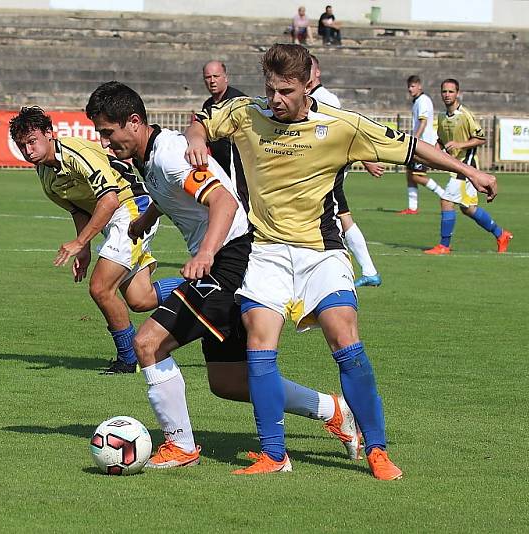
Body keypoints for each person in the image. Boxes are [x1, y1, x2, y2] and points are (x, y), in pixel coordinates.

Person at [186, 44, 498, 478]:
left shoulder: (342, 126)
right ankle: (275, 456)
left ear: (308, 86)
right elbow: (201, 120)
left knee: (344, 338)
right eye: (271, 89)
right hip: (268, 252)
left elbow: (413, 148)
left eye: (286, 91)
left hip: (321, 252)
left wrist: (471, 173)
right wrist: (197, 141)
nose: (276, 99)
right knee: (259, 345)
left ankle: (377, 449)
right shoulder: (245, 111)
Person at [86, 81, 362, 469]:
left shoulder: (170, 155)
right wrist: (144, 220)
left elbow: (224, 201)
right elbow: (169, 195)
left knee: (148, 344)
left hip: (230, 260)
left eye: (108, 133)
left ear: (134, 122)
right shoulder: (149, 157)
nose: (105, 142)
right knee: (229, 383)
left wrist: (205, 253)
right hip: (228, 259)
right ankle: (332, 410)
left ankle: (180, 447)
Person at [9, 106, 183, 374]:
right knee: (140, 299)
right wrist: (84, 249)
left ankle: (128, 359)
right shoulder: (45, 174)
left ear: (49, 133)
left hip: (132, 209)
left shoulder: (75, 152)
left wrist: (79, 242)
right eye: (22, 146)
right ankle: (203, 285)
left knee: (100, 288)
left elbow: (110, 199)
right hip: (112, 218)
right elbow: (78, 209)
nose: (28, 150)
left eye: (32, 142)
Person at [308, 53, 383, 287]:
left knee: (338, 215)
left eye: (308, 68)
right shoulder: (308, 97)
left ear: (317, 72)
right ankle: (366, 270)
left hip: (329, 168)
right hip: (316, 167)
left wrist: (365, 157)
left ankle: (353, 270)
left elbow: (345, 130)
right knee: (339, 215)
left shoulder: (325, 98)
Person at [424, 79, 513, 255]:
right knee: (468, 209)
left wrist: (460, 144)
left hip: (467, 167)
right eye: (444, 91)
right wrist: (433, 154)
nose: (447, 95)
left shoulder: (465, 115)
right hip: (456, 167)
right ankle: (501, 234)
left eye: (451, 91)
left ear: (457, 93)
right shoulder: (442, 116)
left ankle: (444, 246)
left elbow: (481, 138)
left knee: (446, 200)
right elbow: (441, 140)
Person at [201, 60, 248, 207]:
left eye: (216, 76)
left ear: (226, 77)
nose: (212, 81)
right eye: (208, 77)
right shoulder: (207, 105)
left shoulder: (239, 101)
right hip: (220, 168)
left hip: (239, 171)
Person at [399, 75, 447, 215]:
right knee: (410, 174)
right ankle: (412, 208)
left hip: (423, 143)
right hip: (419, 142)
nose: (410, 89)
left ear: (420, 86)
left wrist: (415, 140)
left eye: (413, 86)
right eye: (409, 86)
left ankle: (444, 195)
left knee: (417, 175)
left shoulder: (423, 101)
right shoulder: (417, 101)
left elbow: (423, 122)